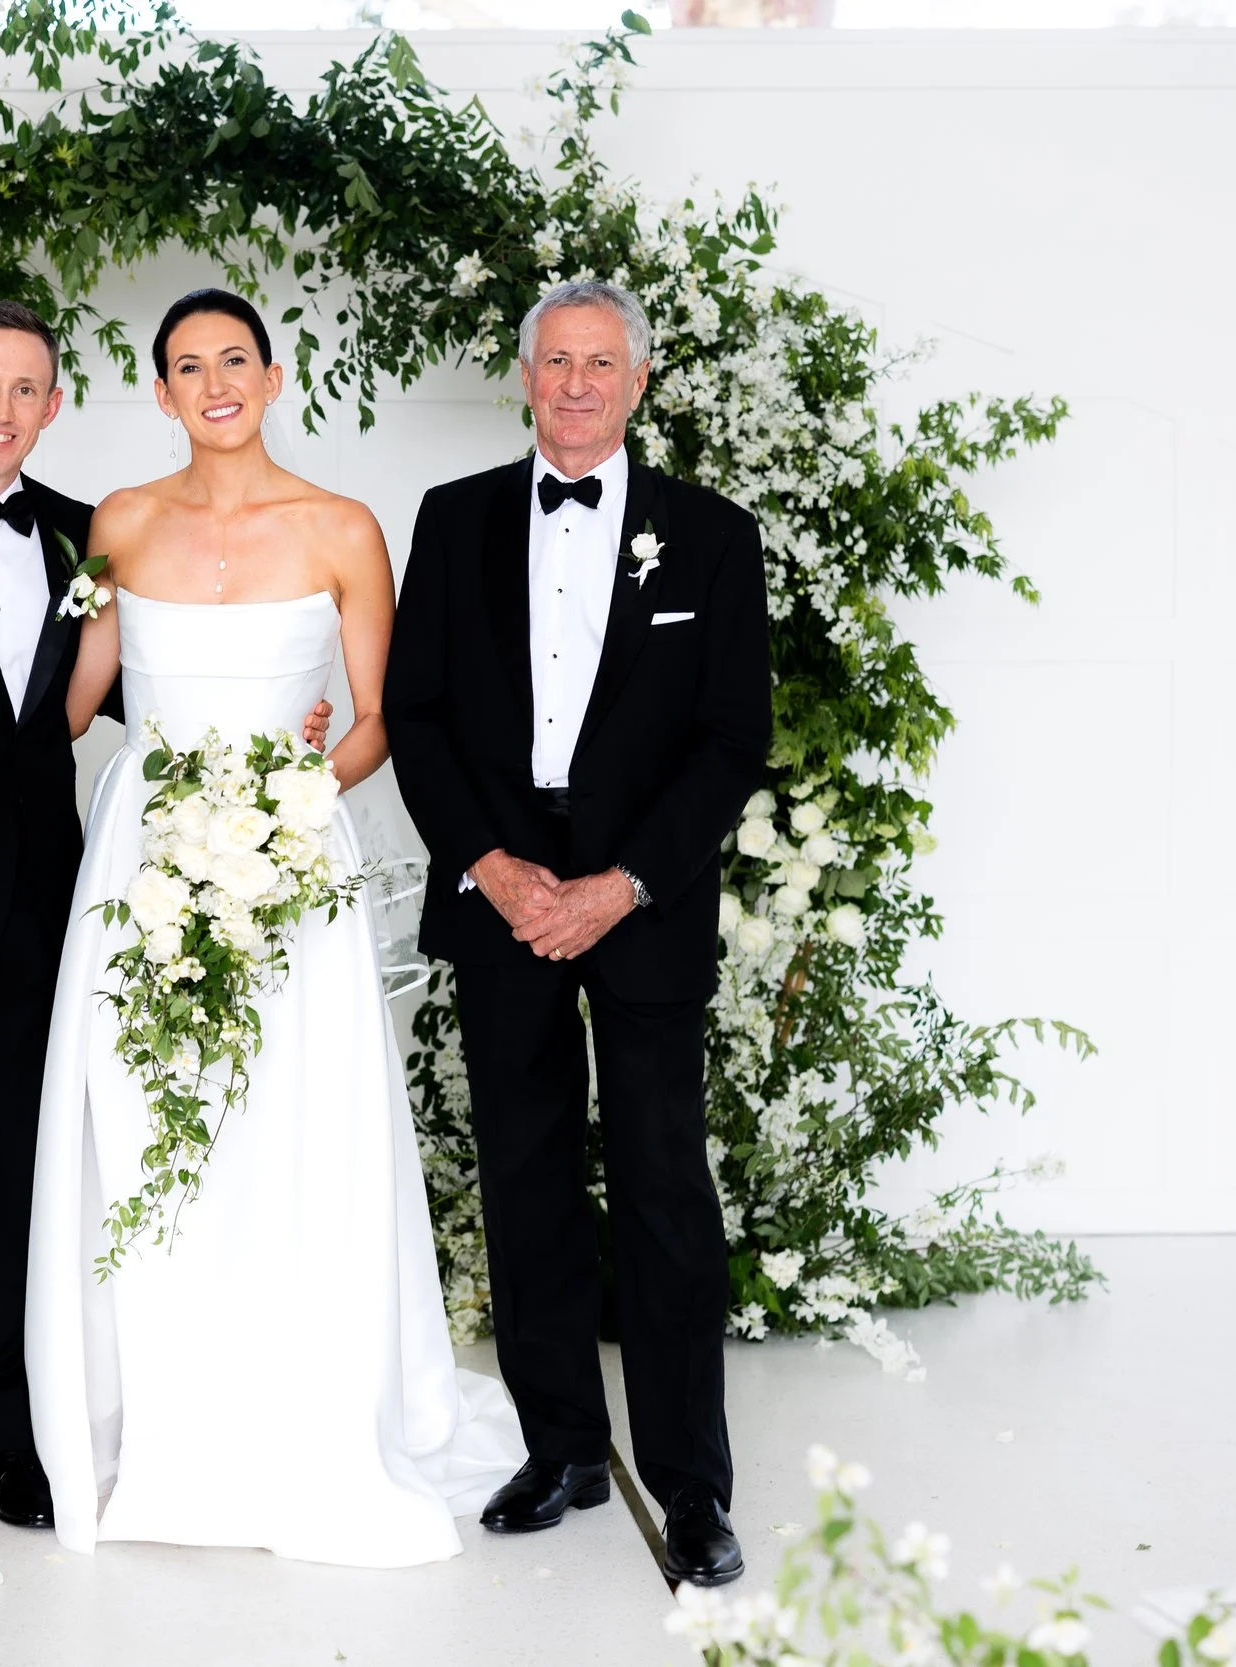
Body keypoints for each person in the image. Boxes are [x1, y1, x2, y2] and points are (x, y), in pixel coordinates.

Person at [0, 299, 333, 1540]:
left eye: (27, 390)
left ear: (55, 406)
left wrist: (275, 729)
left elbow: (165, 689)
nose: (1, 411)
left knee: (29, 1192)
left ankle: (15, 1441)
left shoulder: (92, 534)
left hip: (43, 911)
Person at [21, 288, 526, 1569]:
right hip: (144, 851)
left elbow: (377, 713)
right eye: (185, 366)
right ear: (162, 392)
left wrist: (294, 798)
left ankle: (299, 1407)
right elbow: (76, 699)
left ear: (273, 371)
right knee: (148, 1117)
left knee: (290, 1114)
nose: (213, 383)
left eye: (232, 359)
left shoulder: (345, 528)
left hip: (293, 850)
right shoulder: (119, 524)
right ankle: (161, 1406)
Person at [382, 281, 770, 1588]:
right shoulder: (453, 519)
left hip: (642, 901)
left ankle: (693, 1482)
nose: (579, 383)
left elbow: (733, 739)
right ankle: (563, 1447)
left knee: (664, 1186)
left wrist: (620, 882)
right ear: (526, 375)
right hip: (499, 889)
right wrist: (493, 867)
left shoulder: (711, 538)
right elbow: (417, 712)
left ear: (639, 380)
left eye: (602, 363)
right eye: (557, 362)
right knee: (525, 1171)